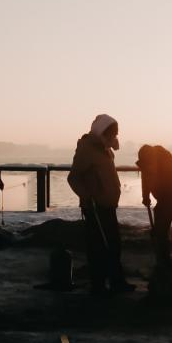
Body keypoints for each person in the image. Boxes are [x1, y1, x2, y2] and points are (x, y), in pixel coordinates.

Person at [67, 114, 133, 295]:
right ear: (103, 132)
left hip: (108, 205)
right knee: (99, 247)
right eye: (114, 132)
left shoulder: (104, 148)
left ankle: (116, 281)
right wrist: (87, 197)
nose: (116, 136)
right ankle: (99, 285)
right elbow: (73, 177)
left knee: (113, 245)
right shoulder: (87, 149)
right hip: (96, 207)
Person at [136, 144, 172, 299]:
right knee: (159, 235)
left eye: (149, 166)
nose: (147, 169)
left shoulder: (168, 164)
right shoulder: (147, 162)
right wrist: (145, 195)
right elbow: (146, 176)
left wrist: (161, 221)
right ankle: (165, 270)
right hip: (165, 197)